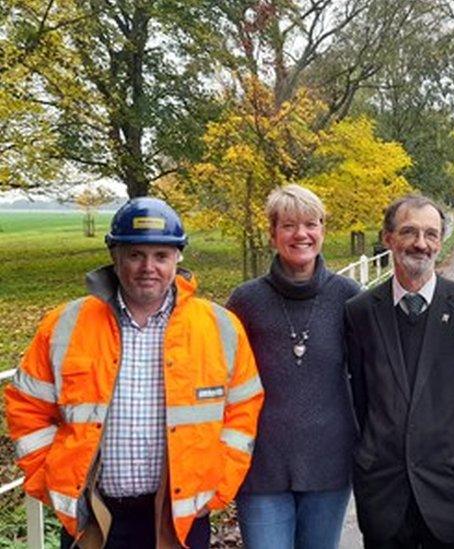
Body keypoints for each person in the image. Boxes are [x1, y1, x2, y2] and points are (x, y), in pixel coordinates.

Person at [4, 197, 264, 548]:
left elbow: (243, 412)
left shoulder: (219, 327)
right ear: (115, 257)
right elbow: (27, 408)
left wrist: (217, 488)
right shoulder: (65, 324)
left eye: (161, 256)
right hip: (94, 518)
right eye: (136, 255)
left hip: (178, 519)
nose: (148, 267)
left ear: (178, 258)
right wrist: (51, 480)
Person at [344, 195, 454, 549]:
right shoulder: (359, 313)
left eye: (431, 234)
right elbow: (359, 401)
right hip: (384, 495)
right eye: (409, 232)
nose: (421, 243)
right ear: (387, 238)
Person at [226, 184, 361, 549]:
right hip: (261, 467)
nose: (301, 234)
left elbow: (372, 378)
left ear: (322, 231)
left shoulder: (349, 297)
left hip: (329, 463)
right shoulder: (246, 301)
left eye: (311, 224)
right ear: (272, 235)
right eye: (288, 226)